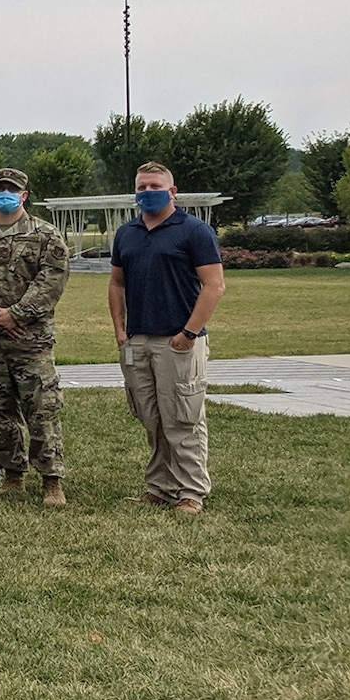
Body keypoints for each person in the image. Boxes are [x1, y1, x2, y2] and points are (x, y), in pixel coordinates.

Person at [110, 162, 225, 514]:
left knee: (183, 417)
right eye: (141, 187)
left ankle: (191, 491)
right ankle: (159, 486)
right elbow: (117, 283)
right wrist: (120, 330)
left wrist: (189, 333)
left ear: (172, 191)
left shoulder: (194, 231)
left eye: (155, 186)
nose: (147, 192)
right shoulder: (126, 233)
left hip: (179, 341)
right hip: (138, 340)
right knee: (151, 416)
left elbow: (214, 285)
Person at [0, 167, 71, 506]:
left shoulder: (46, 235)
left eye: (13, 189)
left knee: (41, 408)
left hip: (32, 341)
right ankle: (13, 475)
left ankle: (51, 481)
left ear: (24, 195)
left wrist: (16, 314)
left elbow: (50, 282)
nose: (5, 194)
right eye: (0, 189)